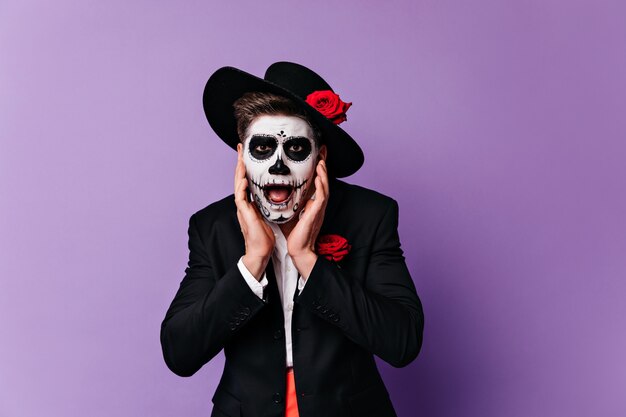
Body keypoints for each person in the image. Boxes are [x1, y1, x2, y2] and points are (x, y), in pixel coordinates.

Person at [160, 61, 424, 417]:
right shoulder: (213, 227)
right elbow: (180, 353)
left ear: (321, 158)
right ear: (241, 157)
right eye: (263, 149)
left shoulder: (369, 216)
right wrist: (252, 261)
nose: (279, 166)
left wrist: (306, 258)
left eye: (297, 149)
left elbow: (402, 342)